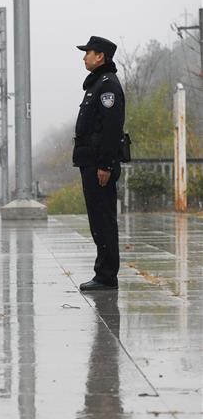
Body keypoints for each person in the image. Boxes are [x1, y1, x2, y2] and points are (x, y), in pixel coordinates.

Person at [73, 36, 125, 291]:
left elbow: (110, 130)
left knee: (103, 219)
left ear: (100, 56)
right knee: (98, 219)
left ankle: (106, 276)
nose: (84, 57)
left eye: (88, 53)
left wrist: (105, 165)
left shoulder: (107, 87)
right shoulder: (97, 84)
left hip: (98, 165)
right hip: (91, 162)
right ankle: (103, 272)